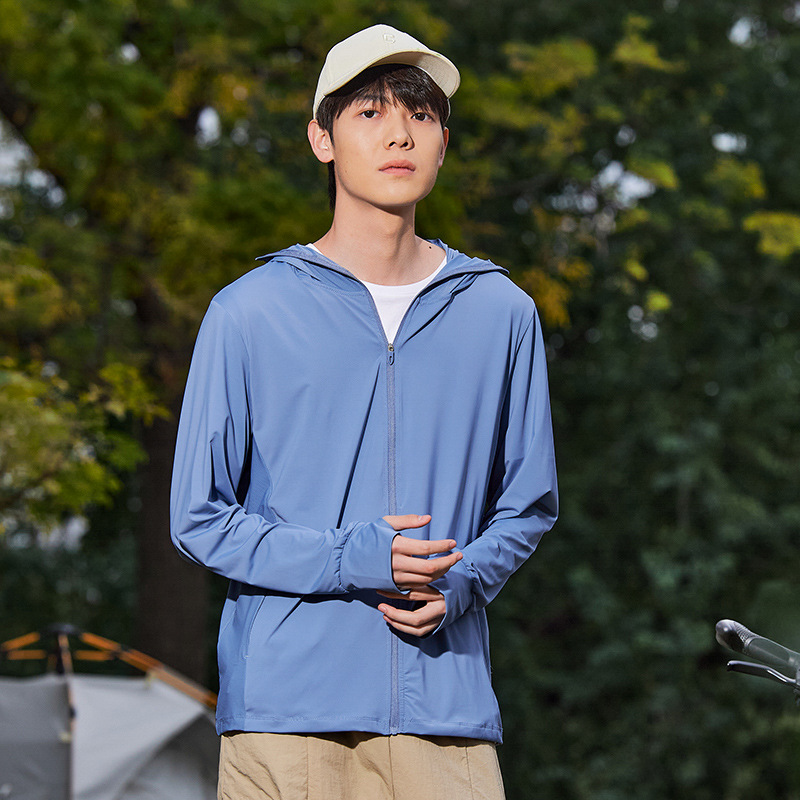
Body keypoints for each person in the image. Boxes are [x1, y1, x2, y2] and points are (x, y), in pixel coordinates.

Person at [170, 23, 558, 800]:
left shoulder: (502, 312)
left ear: (443, 143)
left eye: (421, 115)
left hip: (443, 709)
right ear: (322, 138)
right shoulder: (248, 311)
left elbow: (527, 505)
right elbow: (199, 518)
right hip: (283, 715)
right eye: (370, 113)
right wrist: (353, 559)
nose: (399, 134)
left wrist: (463, 582)